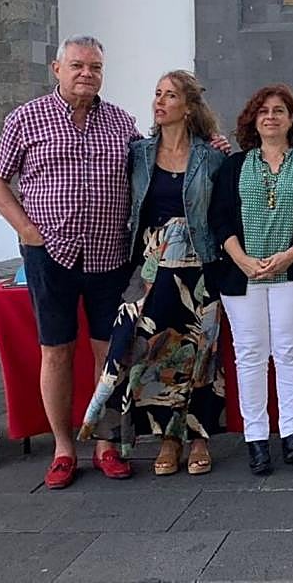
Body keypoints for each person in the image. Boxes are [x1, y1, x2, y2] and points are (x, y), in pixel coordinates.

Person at [0, 35, 139, 487]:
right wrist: (27, 231)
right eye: (77, 66)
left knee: (107, 353)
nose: (86, 74)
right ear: (57, 69)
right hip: (50, 254)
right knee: (55, 351)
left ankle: (106, 444)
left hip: (109, 254)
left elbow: (153, 161)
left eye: (94, 67)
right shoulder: (26, 118)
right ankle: (64, 448)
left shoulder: (121, 122)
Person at [79, 71, 226, 477]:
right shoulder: (139, 153)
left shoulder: (211, 157)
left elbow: (222, 213)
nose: (159, 102)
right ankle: (158, 436)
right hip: (148, 265)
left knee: (198, 353)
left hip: (198, 266)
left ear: (189, 106)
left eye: (170, 95)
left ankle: (195, 437)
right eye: (157, 93)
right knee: (138, 348)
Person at [209, 85, 293, 475]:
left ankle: (292, 434)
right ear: (252, 119)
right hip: (241, 274)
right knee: (249, 355)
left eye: (280, 110)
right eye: (263, 111)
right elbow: (220, 218)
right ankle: (257, 438)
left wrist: (292, 254)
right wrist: (242, 259)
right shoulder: (234, 167)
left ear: (292, 119)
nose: (271, 116)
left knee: (290, 348)